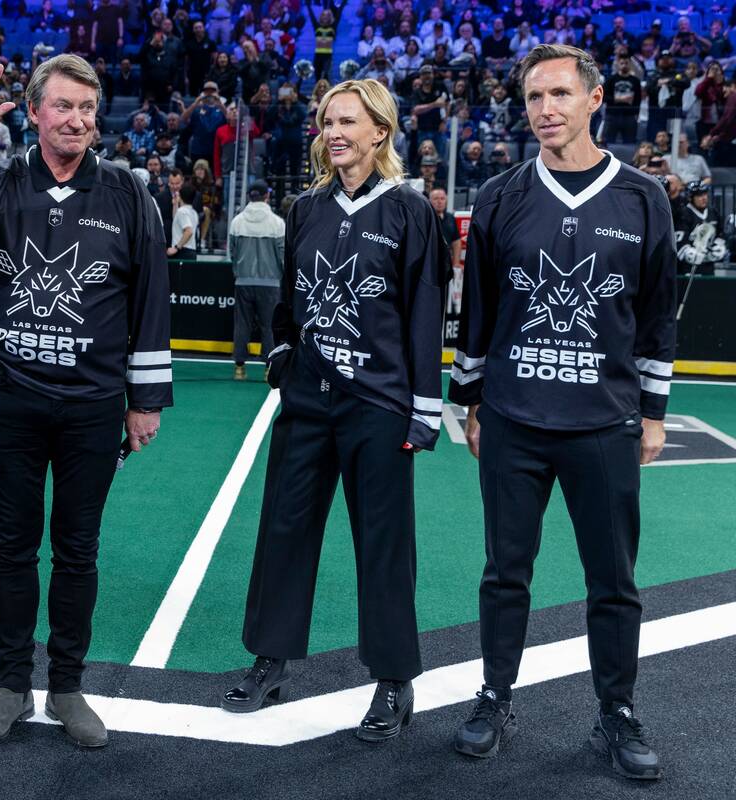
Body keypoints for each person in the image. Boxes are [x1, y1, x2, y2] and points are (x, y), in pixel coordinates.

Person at [0, 53, 172, 748]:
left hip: (92, 406)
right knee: (14, 545)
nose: (79, 121)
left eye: (88, 109)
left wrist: (144, 399)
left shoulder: (126, 191)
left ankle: (67, 687)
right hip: (12, 397)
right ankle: (11, 684)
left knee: (79, 551)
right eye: (63, 107)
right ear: (33, 113)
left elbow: (150, 300)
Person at [448, 45, 676, 780]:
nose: (545, 109)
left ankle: (617, 711)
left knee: (614, 581)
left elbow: (656, 315)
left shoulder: (643, 196)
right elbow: (478, 308)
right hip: (513, 416)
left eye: (559, 94)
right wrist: (472, 402)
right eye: (534, 96)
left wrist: (653, 410)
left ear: (594, 99)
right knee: (505, 572)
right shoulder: (501, 195)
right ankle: (493, 695)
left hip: (603, 423)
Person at [223, 80, 447, 747]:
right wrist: (287, 349)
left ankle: (393, 679)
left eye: (347, 121)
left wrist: (424, 412)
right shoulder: (307, 207)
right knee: (283, 531)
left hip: (379, 407)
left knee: (383, 544)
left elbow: (425, 314)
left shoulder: (410, 211)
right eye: (327, 122)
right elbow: (291, 297)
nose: (334, 132)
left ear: (380, 130)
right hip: (308, 402)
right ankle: (271, 658)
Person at [228, 180, 285, 381]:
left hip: (243, 280)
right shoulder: (277, 223)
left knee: (242, 324)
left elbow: (232, 253)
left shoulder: (237, 221)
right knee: (269, 326)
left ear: (249, 197)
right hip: (270, 282)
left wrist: (238, 272)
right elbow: (282, 255)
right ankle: (269, 368)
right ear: (266, 196)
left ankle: (239, 368)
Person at [674, 181, 728, 275]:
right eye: (699, 195)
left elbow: (720, 233)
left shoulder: (713, 212)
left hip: (708, 265)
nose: (704, 198)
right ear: (690, 197)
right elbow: (679, 241)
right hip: (687, 268)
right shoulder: (683, 214)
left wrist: (719, 246)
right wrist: (688, 253)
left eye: (705, 194)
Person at [168, 182, 199, 259]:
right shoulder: (193, 212)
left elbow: (189, 231)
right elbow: (176, 219)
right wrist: (175, 204)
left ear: (181, 196)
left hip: (182, 252)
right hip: (191, 252)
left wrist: (176, 247)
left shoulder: (182, 211)